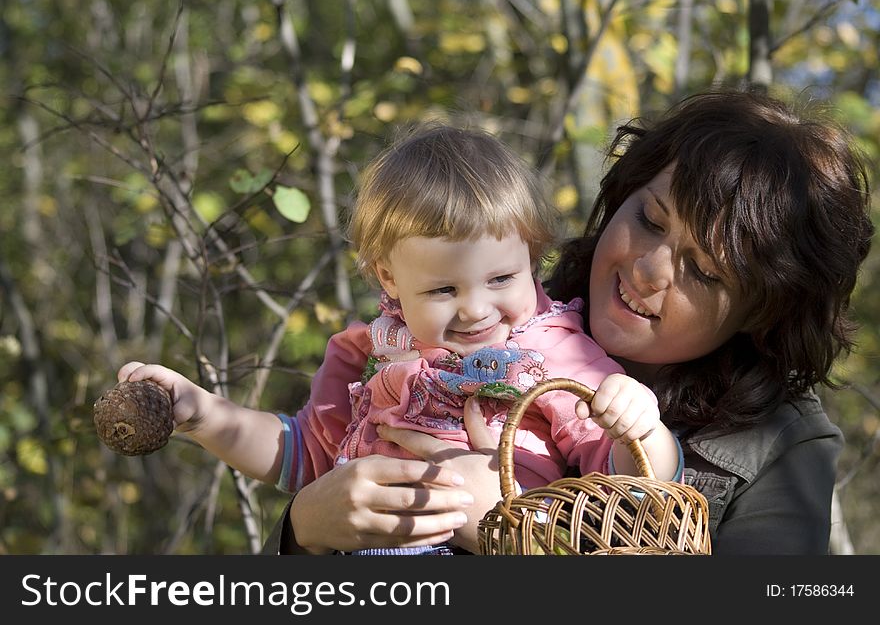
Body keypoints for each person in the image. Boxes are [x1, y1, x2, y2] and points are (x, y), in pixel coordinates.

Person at [262, 87, 873, 555]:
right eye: (650, 220)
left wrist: (521, 533)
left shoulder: (781, 446)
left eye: (705, 272)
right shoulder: (477, 313)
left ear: (763, 308)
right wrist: (304, 528)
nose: (648, 268)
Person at [117, 124, 680, 554]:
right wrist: (205, 415)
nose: (477, 309)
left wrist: (641, 426)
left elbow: (633, 486)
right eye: (442, 289)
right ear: (389, 277)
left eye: (502, 278)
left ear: (532, 254)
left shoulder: (553, 351)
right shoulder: (369, 353)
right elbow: (305, 456)